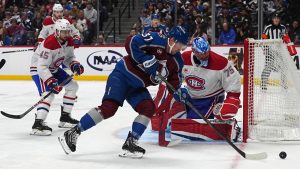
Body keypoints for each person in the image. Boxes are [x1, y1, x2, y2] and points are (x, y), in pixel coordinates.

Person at [58, 26, 189, 158]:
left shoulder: (177, 62)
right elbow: (131, 42)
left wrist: (179, 93)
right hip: (122, 75)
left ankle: (131, 143)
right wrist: (144, 59)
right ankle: (73, 132)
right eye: (181, 45)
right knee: (109, 109)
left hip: (138, 86)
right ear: (172, 40)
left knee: (148, 108)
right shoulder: (156, 39)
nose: (182, 49)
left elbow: (174, 83)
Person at [152, 37, 241, 141]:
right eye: (201, 53)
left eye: (206, 52)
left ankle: (229, 129)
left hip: (210, 99)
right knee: (164, 123)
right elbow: (172, 78)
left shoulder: (221, 63)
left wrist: (232, 100)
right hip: (189, 97)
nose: (205, 55)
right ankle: (171, 121)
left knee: (193, 129)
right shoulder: (183, 58)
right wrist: (177, 90)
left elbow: (233, 83)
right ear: (194, 51)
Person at [30, 19, 84, 136]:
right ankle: (38, 124)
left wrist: (74, 64)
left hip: (53, 69)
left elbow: (69, 57)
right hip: (39, 70)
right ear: (57, 31)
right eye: (63, 32)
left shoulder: (69, 40)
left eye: (68, 31)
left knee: (73, 86)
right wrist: (50, 80)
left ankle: (65, 118)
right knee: (48, 95)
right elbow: (42, 66)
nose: (66, 34)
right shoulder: (49, 42)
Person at [261, 13, 297, 90]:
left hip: (281, 51)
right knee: (267, 68)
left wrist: (289, 48)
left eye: (278, 18)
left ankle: (283, 84)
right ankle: (263, 85)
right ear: (272, 19)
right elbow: (263, 40)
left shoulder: (283, 28)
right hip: (270, 52)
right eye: (275, 18)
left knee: (284, 68)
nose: (276, 19)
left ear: (279, 19)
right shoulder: (268, 28)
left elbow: (286, 38)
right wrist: (265, 50)